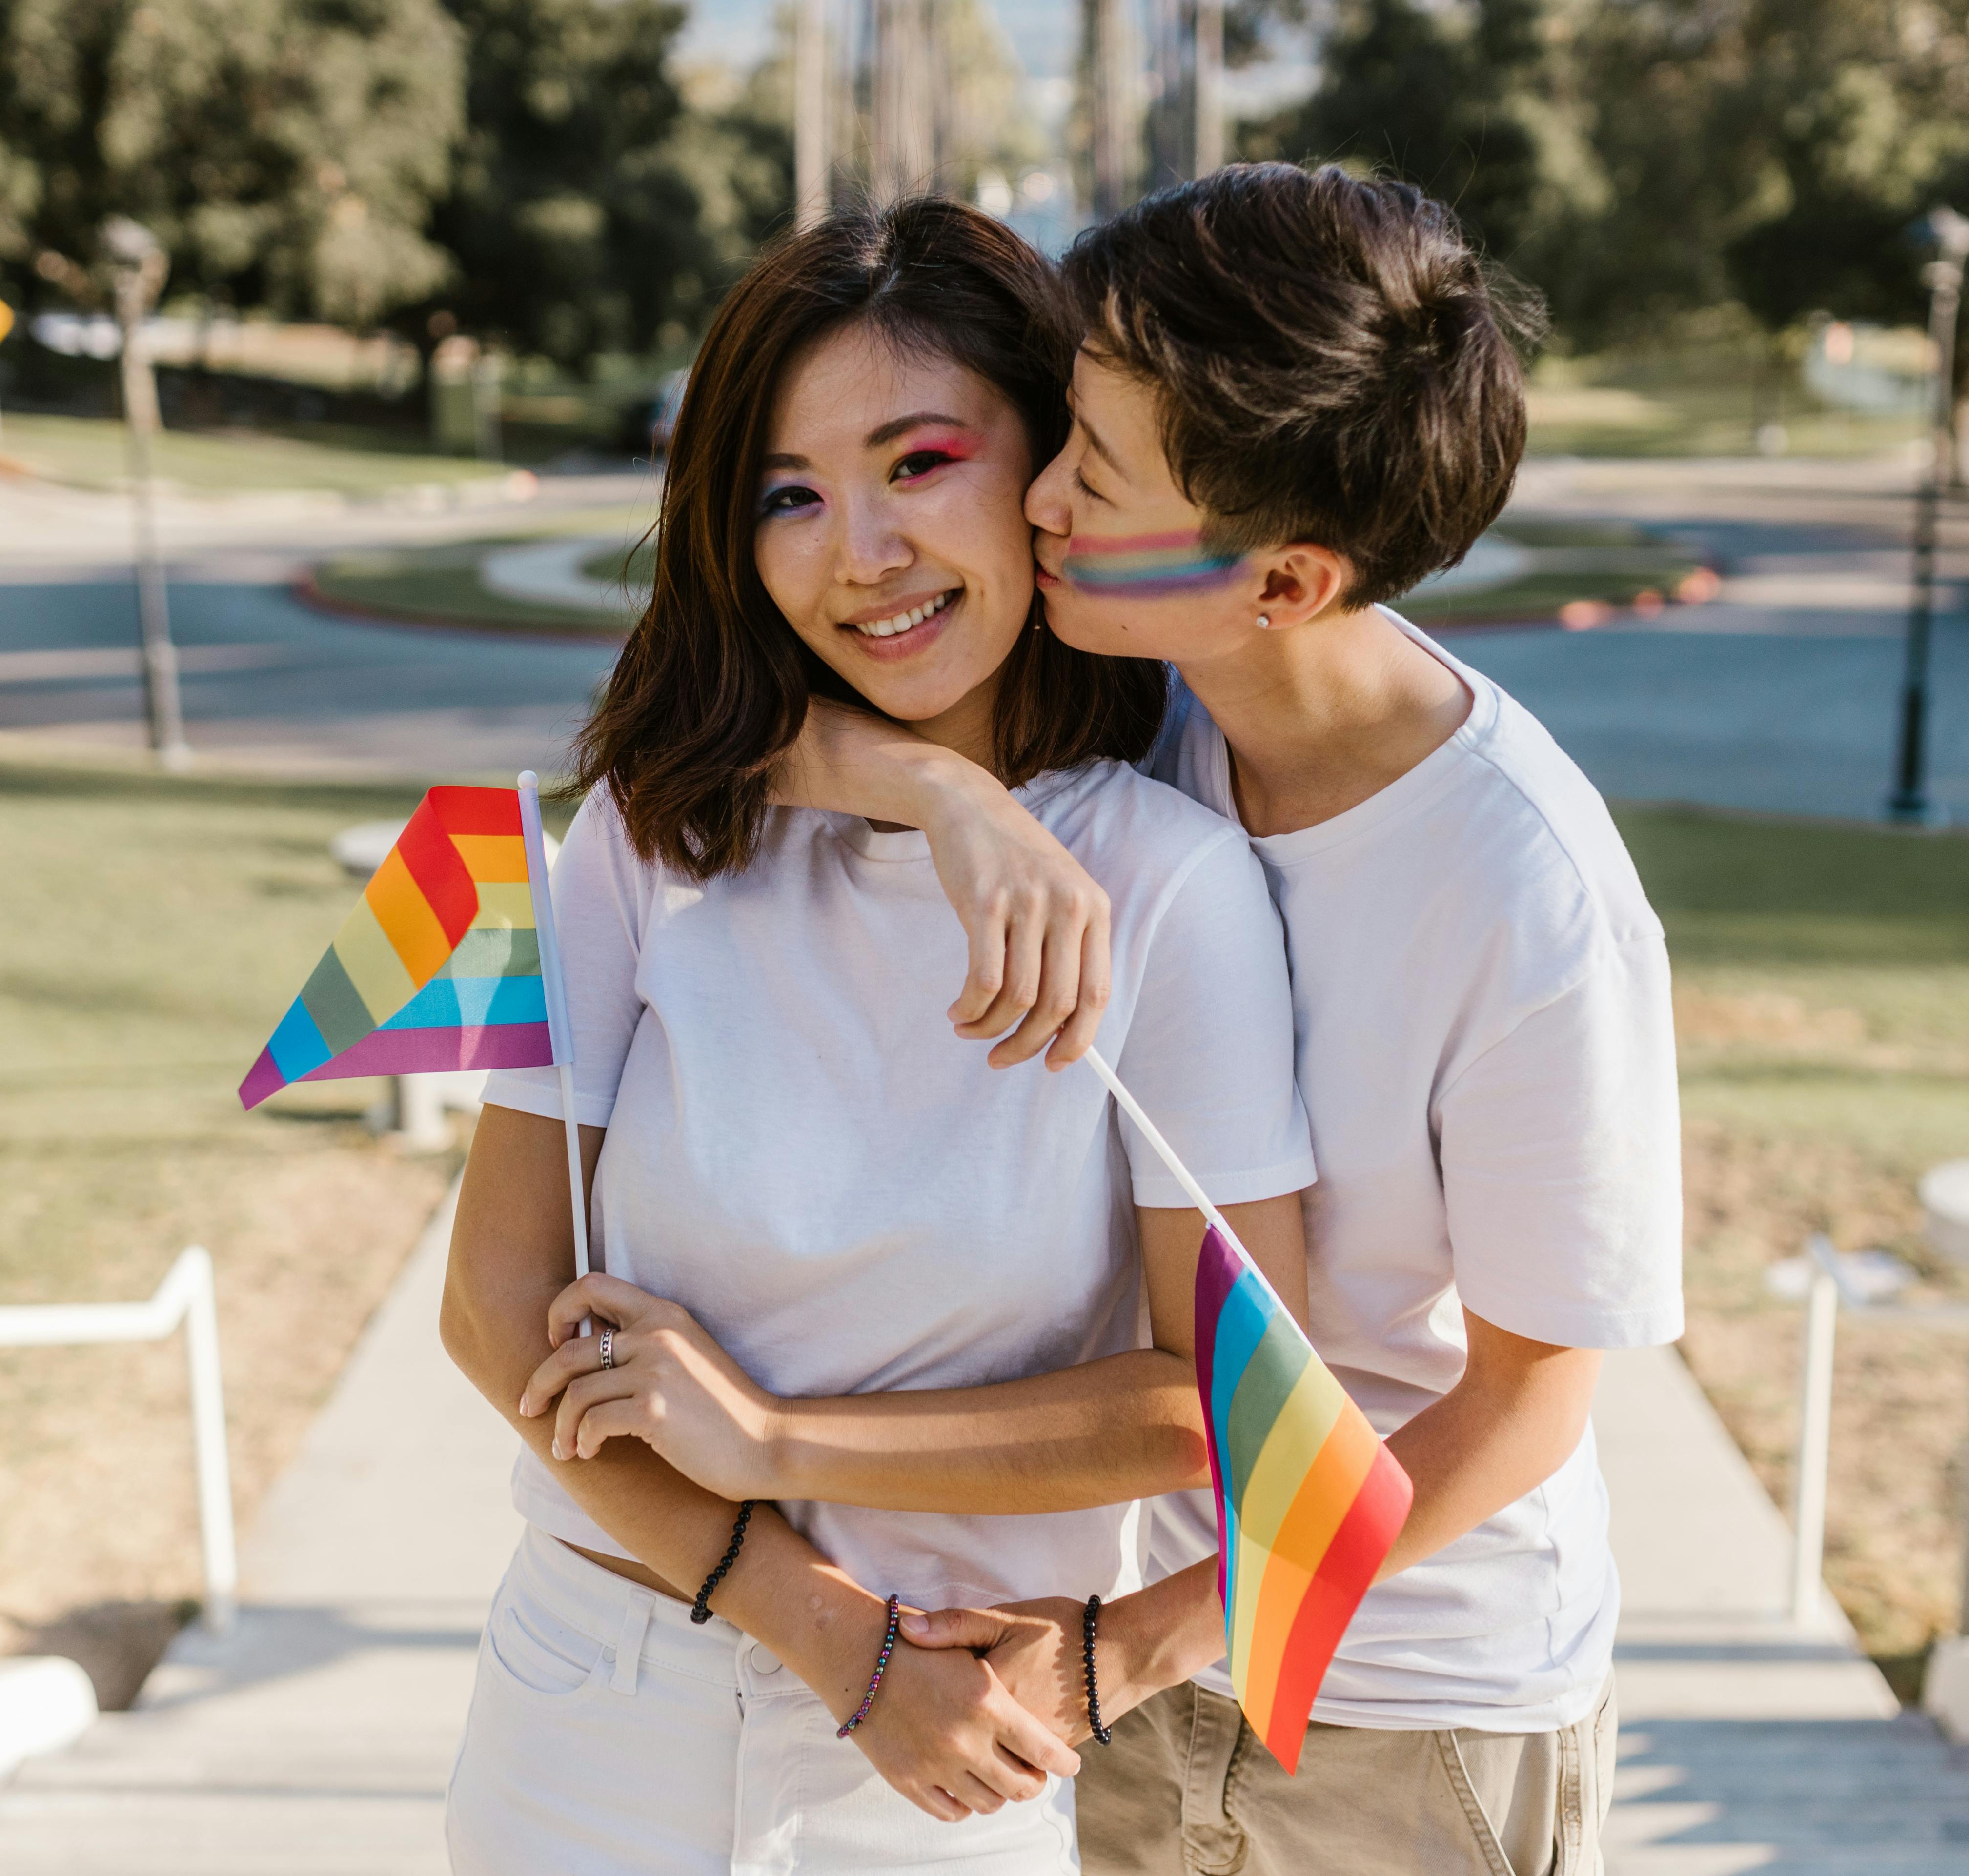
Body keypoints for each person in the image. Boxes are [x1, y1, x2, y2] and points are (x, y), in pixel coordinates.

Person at [780, 164, 1685, 1876]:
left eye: (1091, 474)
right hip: (1124, 1646)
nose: (1034, 498)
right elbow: (728, 728)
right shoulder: (1136, 686)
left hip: (1411, 1714)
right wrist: (933, 787)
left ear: (1285, 582)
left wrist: (1148, 1642)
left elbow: (1521, 1412)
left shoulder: (1532, 899)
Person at [436, 196, 1318, 1875]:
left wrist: (778, 1449)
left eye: (919, 463)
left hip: (943, 1756)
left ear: (1048, 467)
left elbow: (1230, 1405)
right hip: (588, 1697)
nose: (862, 554)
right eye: (791, 495)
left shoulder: (1173, 886)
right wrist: (825, 1634)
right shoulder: (649, 831)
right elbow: (494, 1314)